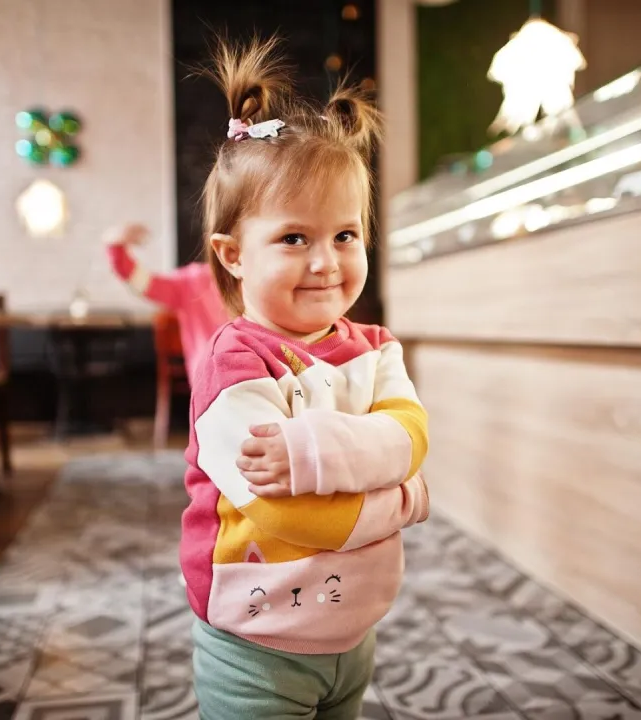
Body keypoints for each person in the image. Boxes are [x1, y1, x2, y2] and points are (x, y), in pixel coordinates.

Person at [183, 36, 429, 719]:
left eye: (345, 235)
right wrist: (402, 501)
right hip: (256, 641)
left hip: (355, 629)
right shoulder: (235, 365)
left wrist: (312, 453)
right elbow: (286, 513)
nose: (326, 261)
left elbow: (410, 437)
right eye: (295, 238)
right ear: (233, 255)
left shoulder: (375, 348)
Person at [103, 225, 229, 385]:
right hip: (211, 386)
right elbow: (143, 282)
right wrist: (116, 246)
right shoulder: (193, 281)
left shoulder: (258, 283)